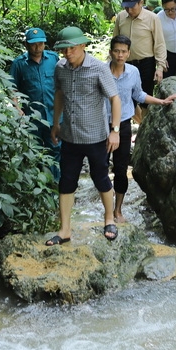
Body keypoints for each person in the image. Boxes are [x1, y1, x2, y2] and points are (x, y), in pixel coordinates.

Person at [46, 26, 122, 245]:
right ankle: (65, 229)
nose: (67, 54)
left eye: (71, 49)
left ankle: (109, 219)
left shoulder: (98, 68)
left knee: (101, 178)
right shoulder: (61, 68)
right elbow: (59, 94)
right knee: (66, 181)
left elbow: (115, 99)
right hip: (70, 136)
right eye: (64, 50)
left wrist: (115, 131)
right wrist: (55, 123)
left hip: (96, 137)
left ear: (82, 46)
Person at [106, 35, 176, 222]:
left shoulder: (132, 72)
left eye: (124, 51)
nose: (120, 55)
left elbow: (138, 94)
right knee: (100, 168)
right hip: (101, 125)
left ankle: (117, 211)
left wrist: (161, 101)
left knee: (121, 169)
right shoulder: (101, 71)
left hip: (123, 124)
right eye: (116, 51)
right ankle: (107, 211)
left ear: (129, 53)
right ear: (110, 52)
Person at [9, 27, 61, 181]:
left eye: (40, 44)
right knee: (34, 151)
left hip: (54, 115)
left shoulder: (53, 59)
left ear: (45, 43)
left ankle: (57, 185)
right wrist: (18, 109)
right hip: (32, 118)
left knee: (56, 150)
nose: (37, 47)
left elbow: (63, 83)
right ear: (26, 45)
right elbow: (12, 89)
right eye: (33, 44)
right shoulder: (19, 64)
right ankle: (38, 186)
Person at [112, 0, 168, 106]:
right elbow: (115, 41)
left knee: (145, 98)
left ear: (141, 3)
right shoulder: (121, 17)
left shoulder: (152, 18)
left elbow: (159, 43)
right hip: (125, 63)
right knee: (125, 97)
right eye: (126, 7)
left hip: (146, 64)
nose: (129, 10)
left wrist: (160, 67)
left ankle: (143, 123)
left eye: (132, 7)